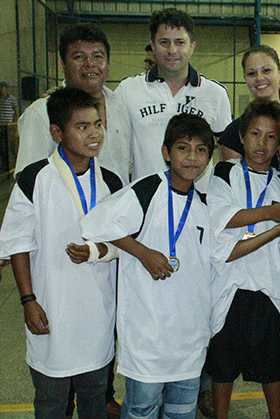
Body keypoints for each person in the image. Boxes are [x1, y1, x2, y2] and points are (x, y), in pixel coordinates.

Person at [0, 87, 123, 419]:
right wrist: (28, 300)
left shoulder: (112, 182)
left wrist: (97, 251)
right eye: (82, 127)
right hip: (50, 310)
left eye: (97, 124)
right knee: (51, 401)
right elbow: (18, 243)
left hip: (96, 314)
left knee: (95, 396)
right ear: (56, 133)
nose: (94, 134)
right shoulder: (35, 179)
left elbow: (123, 242)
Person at [80, 113, 215, 419]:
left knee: (182, 411)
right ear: (166, 152)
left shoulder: (206, 202)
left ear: (209, 156)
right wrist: (142, 252)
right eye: (183, 148)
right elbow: (96, 223)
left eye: (201, 150)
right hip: (148, 332)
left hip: (189, 334)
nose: (192, 158)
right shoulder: (147, 190)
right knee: (141, 408)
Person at [216, 44, 280, 419]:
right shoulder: (228, 157)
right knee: (224, 356)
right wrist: (276, 219)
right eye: (252, 72)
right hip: (238, 265)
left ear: (279, 72)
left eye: (266, 71)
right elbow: (231, 210)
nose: (260, 79)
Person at [115, 7, 232, 184]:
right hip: (145, 203)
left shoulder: (215, 94)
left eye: (179, 43)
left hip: (197, 205)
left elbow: (227, 157)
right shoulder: (127, 90)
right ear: (153, 46)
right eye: (164, 42)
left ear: (192, 47)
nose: (172, 50)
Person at [13, 23, 132, 185]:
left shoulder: (121, 108)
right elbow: (28, 181)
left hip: (120, 208)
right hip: (67, 209)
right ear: (63, 65)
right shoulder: (42, 113)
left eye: (98, 56)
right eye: (79, 57)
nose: (90, 63)